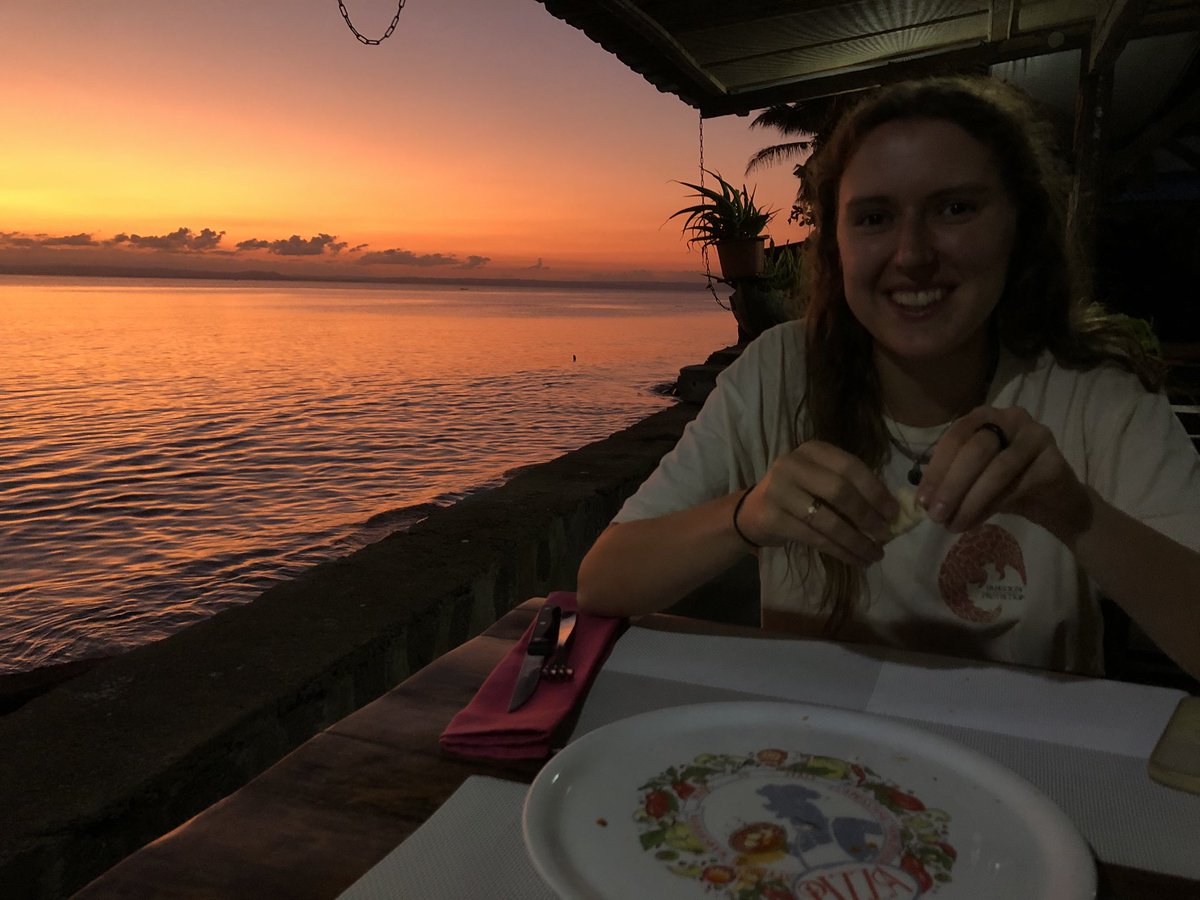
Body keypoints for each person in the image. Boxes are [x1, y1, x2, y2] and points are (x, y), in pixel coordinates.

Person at [577, 75, 1200, 680]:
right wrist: (748, 514)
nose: (912, 254)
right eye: (874, 218)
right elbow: (603, 581)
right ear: (836, 246)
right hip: (811, 742)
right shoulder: (778, 371)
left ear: (1019, 225)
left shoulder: (1093, 392)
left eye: (955, 208)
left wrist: (1077, 515)